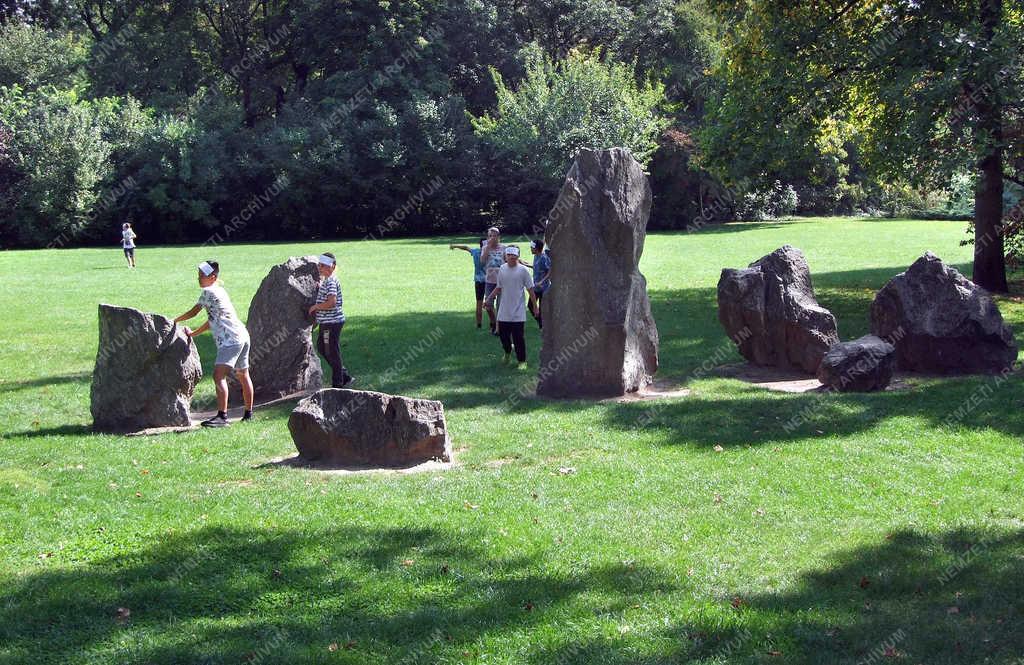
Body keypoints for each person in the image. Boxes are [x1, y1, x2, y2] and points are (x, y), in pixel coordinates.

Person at [174, 261, 254, 427]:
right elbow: (213, 319)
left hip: (231, 340)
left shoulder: (208, 291)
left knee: (218, 376)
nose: (199, 278)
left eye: (202, 275)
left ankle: (222, 417)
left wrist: (173, 321)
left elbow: (194, 312)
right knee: (243, 375)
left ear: (213, 277)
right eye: (199, 275)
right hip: (242, 335)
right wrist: (194, 334)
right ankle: (248, 414)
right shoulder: (220, 291)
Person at [485, 245, 537, 370]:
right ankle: (507, 353)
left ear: (518, 257)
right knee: (503, 337)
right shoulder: (502, 269)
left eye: (514, 256)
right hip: (504, 310)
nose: (511, 258)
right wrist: (488, 299)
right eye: (509, 256)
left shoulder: (523, 270)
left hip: (518, 311)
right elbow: (499, 287)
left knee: (518, 338)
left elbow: (530, 289)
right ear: (505, 257)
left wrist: (535, 306)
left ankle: (522, 361)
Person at [308, 252, 354, 388]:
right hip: (327, 322)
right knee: (323, 348)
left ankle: (338, 383)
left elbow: (332, 302)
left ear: (332, 266)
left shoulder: (331, 282)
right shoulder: (327, 281)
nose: (320, 268)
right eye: (319, 265)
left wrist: (316, 306)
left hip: (331, 323)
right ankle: (343, 375)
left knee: (331, 351)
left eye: (323, 266)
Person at [449, 238, 487, 328]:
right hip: (489, 281)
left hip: (478, 281)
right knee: (490, 303)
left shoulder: (475, 252)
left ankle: (479, 324)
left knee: (479, 303)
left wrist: (454, 246)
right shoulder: (489, 253)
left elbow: (466, 247)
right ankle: (493, 324)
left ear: (480, 245)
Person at [480, 227, 506, 335]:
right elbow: (482, 261)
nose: (492, 238)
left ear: (498, 237)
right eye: (490, 236)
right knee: (488, 305)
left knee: (500, 306)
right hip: (489, 281)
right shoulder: (485, 247)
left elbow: (507, 262)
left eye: (494, 236)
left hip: (502, 281)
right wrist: (487, 248)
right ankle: (493, 322)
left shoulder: (504, 248)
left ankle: (498, 329)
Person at [529, 239, 551, 329]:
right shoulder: (536, 256)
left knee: (542, 308)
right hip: (536, 287)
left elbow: (550, 270)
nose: (530, 249)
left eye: (532, 247)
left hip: (544, 288)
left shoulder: (544, 258)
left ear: (536, 248)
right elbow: (536, 267)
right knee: (530, 305)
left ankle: (543, 326)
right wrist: (525, 264)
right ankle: (540, 322)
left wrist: (542, 281)